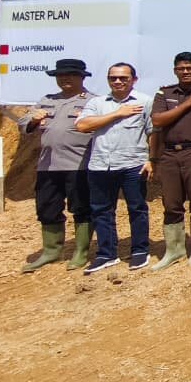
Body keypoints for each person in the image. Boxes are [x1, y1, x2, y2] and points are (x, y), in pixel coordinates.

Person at [75, 63, 153, 274]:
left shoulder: (145, 101)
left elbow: (153, 132)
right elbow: (82, 125)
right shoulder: (97, 103)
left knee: (137, 209)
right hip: (100, 165)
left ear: (134, 80)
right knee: (102, 210)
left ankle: (140, 251)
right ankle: (106, 254)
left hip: (133, 164)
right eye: (113, 78)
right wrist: (118, 114)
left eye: (123, 78)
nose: (118, 81)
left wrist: (151, 160)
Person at [19, 58, 96, 272]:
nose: (65, 79)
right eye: (60, 75)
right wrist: (34, 120)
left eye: (70, 75)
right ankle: (51, 252)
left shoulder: (93, 102)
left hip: (79, 164)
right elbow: (23, 123)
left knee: (81, 207)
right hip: (48, 165)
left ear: (82, 77)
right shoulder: (47, 100)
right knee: (47, 207)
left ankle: (81, 252)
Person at [150, 51, 191, 270]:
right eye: (181, 68)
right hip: (170, 154)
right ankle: (174, 250)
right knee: (171, 203)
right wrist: (188, 104)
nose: (186, 71)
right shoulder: (165, 93)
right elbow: (158, 120)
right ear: (175, 71)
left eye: (190, 68)